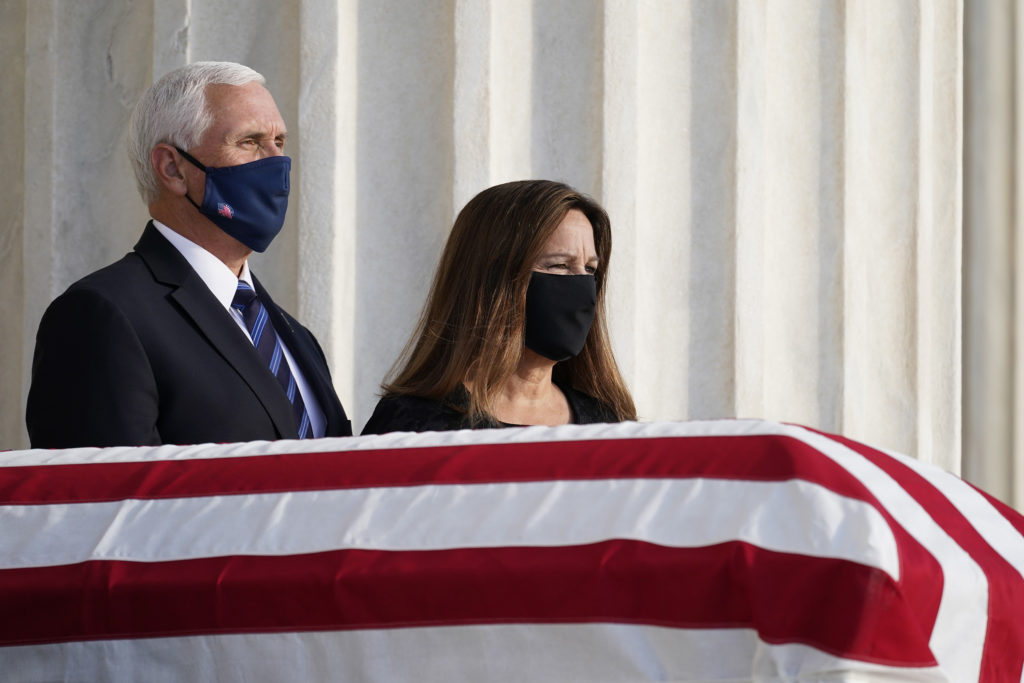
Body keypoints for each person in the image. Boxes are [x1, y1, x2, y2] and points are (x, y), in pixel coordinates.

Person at [26, 62, 351, 447]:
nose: (275, 162)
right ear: (172, 168)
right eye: (249, 142)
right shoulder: (102, 315)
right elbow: (101, 501)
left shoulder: (293, 334)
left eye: (279, 142)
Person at [361, 179, 635, 434]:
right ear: (494, 278)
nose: (581, 285)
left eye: (589, 269)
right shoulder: (417, 424)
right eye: (560, 265)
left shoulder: (608, 422)